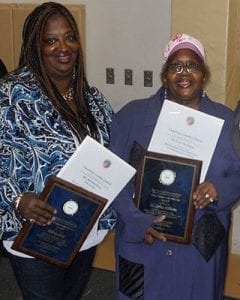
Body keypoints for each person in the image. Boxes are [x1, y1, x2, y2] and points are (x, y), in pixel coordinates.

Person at [111, 33, 240, 300]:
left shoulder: (227, 122)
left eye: (192, 66)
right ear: (164, 74)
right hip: (143, 241)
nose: (184, 73)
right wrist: (136, 223)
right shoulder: (131, 116)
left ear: (204, 74)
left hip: (200, 245)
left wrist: (220, 189)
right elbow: (113, 177)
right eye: (176, 66)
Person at [0, 2, 116, 299]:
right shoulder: (11, 94)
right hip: (35, 233)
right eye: (50, 40)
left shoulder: (93, 98)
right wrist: (17, 198)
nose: (63, 47)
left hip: (83, 230)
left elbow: (112, 155)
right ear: (34, 47)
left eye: (70, 37)